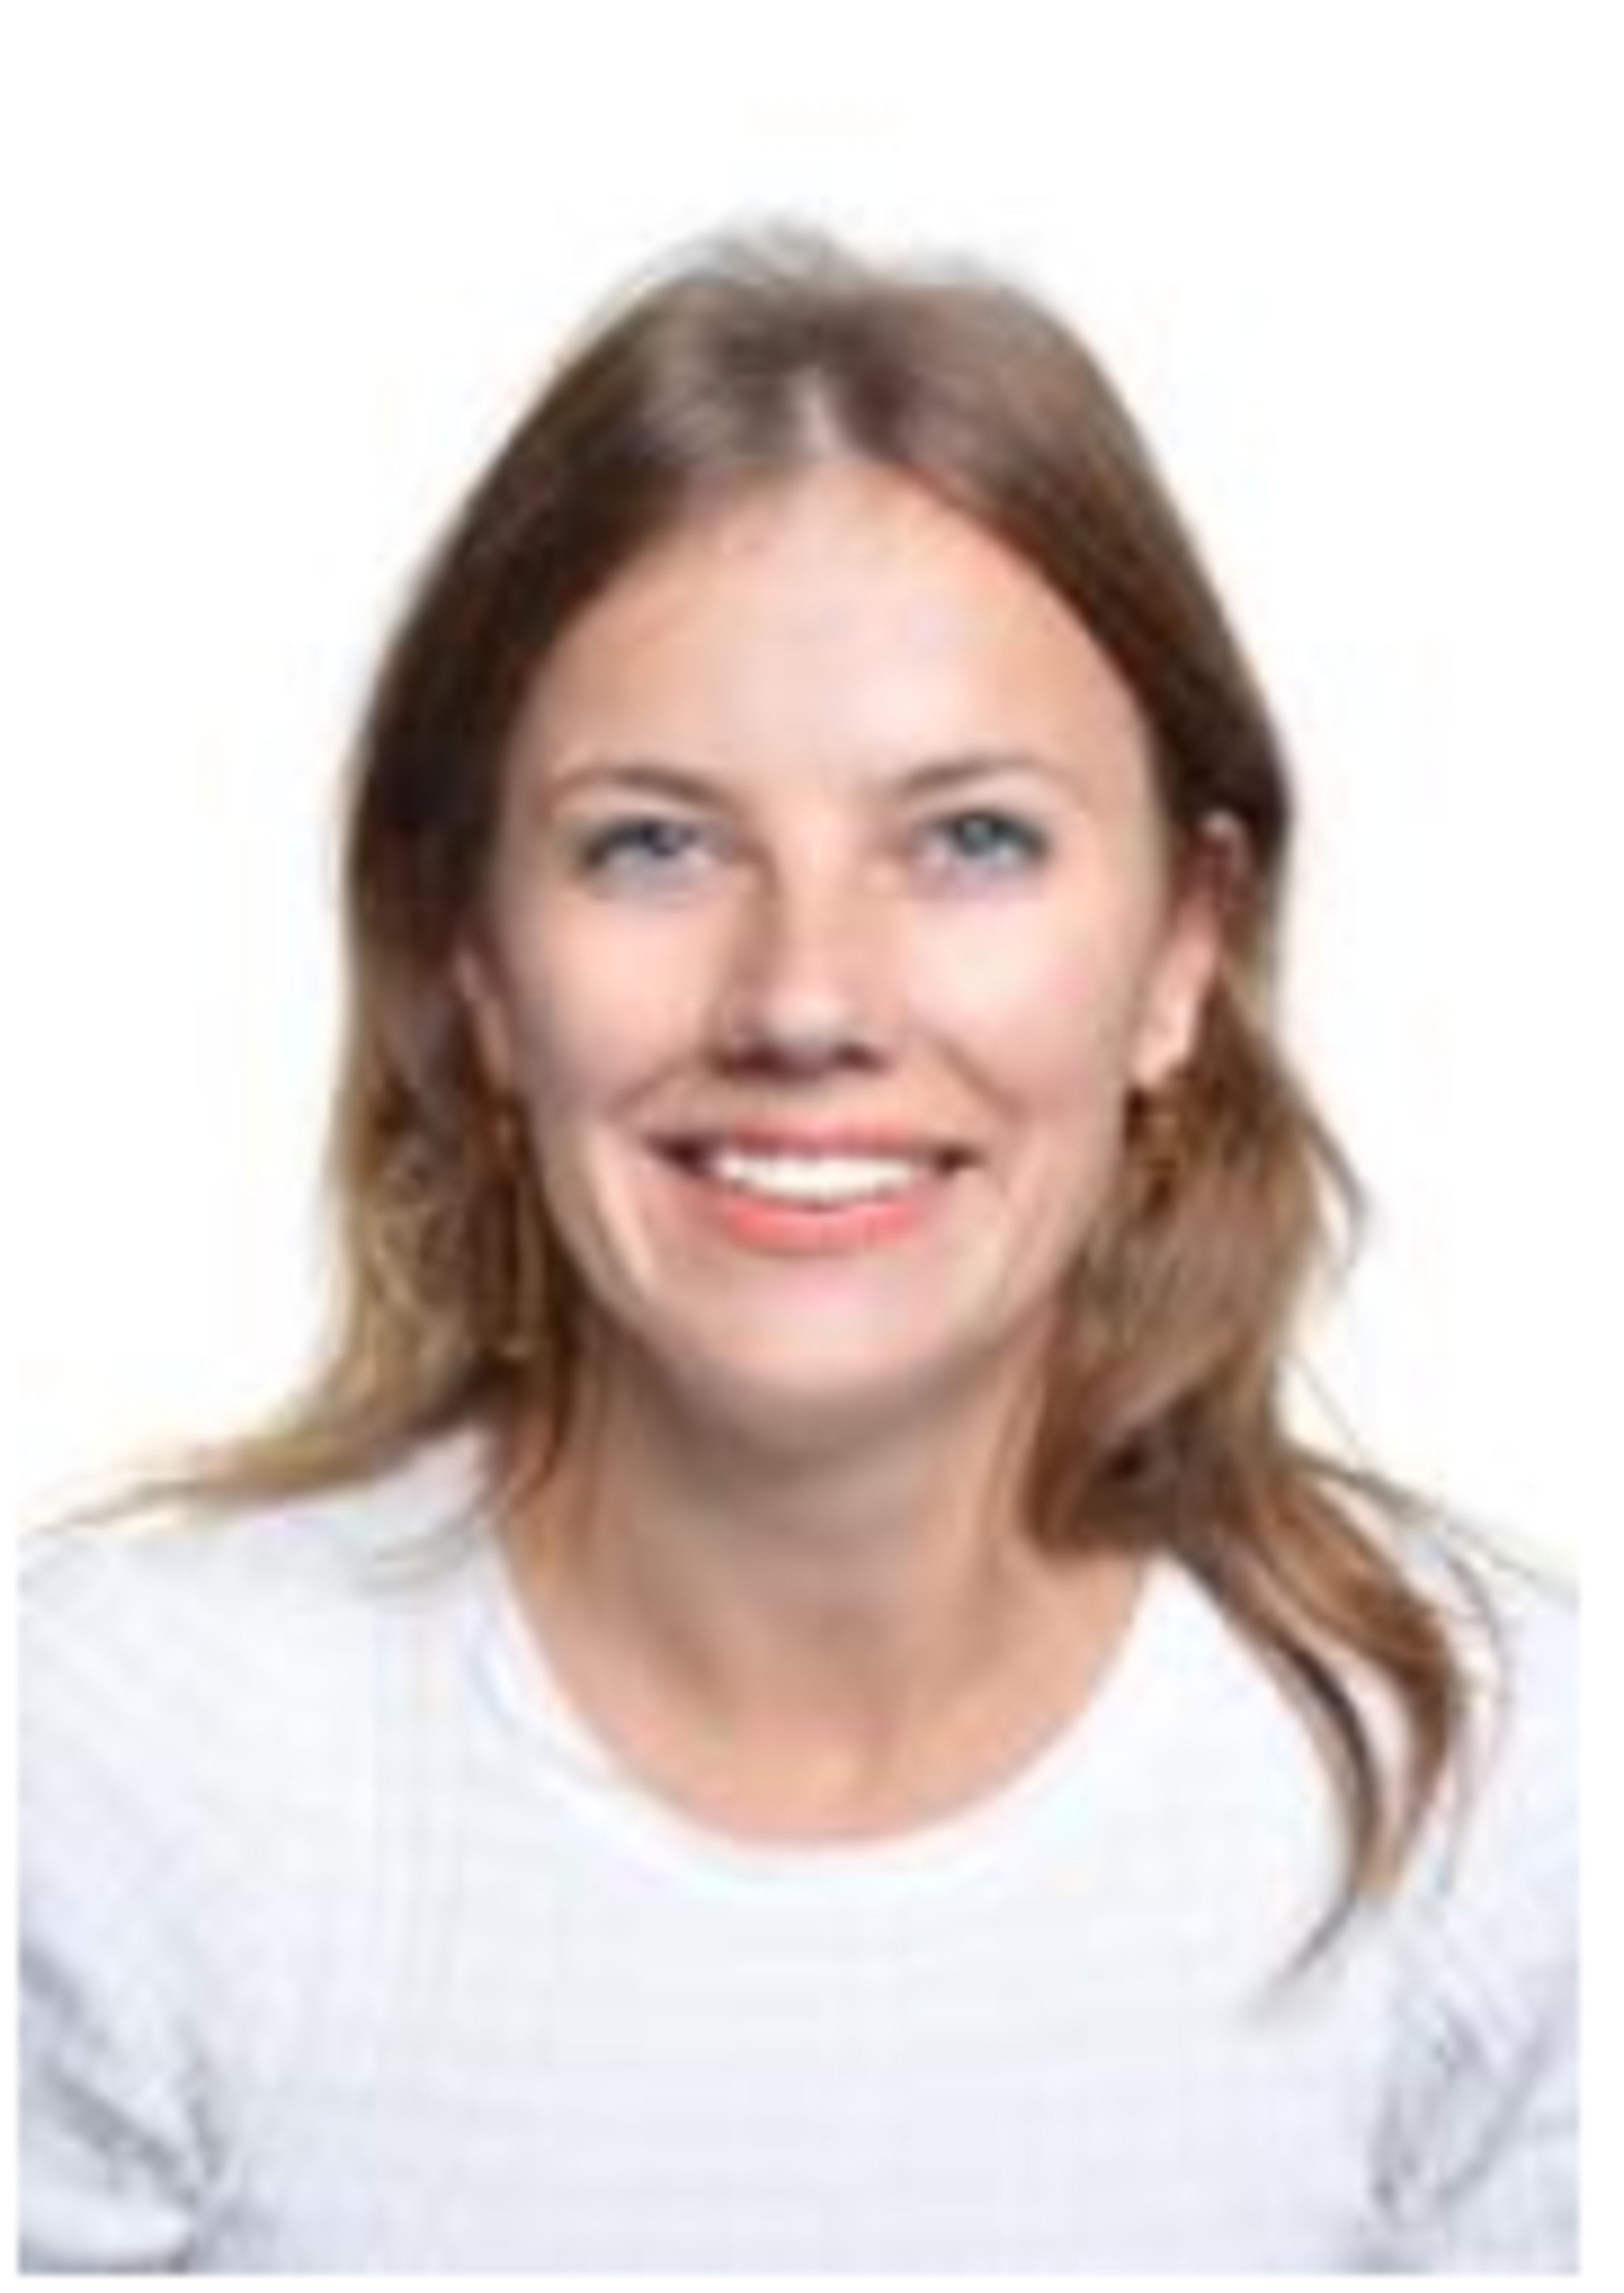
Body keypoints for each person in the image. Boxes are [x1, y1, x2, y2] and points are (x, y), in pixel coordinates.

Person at [20, 225, 1576, 2275]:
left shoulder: (1497, 1801)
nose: (804, 997)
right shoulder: (110, 1769)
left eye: (973, 838)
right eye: (653, 843)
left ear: (1181, 952)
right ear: (475, 959)